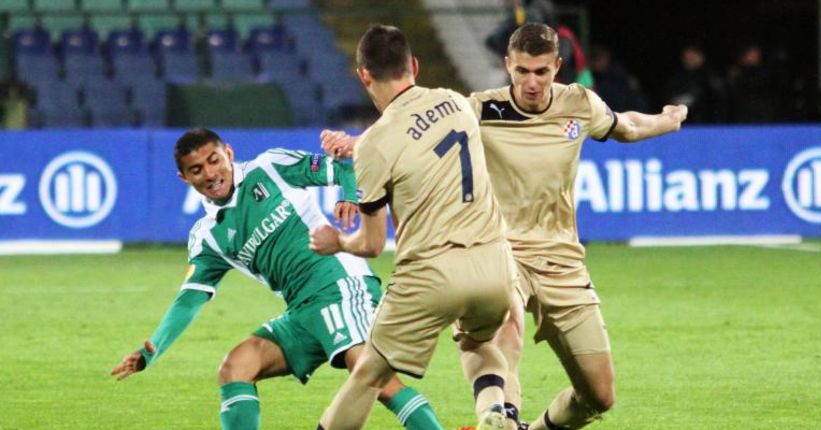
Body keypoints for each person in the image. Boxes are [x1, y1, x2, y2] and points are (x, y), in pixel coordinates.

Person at [321, 22, 687, 430]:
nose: (532, 82)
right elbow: (414, 127)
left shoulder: (579, 104)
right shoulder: (479, 108)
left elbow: (628, 126)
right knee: (504, 336)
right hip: (499, 251)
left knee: (598, 396)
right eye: (523, 71)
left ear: (557, 67)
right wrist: (359, 142)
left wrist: (667, 121)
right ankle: (501, 417)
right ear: (508, 65)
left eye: (542, 72)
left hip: (563, 260)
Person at [110, 128, 444, 430]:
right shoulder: (208, 236)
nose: (210, 174)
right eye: (196, 170)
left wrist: (347, 195)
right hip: (301, 309)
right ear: (184, 178)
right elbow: (189, 300)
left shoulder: (269, 167)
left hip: (340, 283)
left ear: (228, 152)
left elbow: (342, 166)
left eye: (214, 160)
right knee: (236, 366)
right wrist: (151, 350)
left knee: (375, 379)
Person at [309, 24, 517, 430]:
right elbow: (422, 135)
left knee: (369, 373)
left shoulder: (375, 145)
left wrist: (337, 241)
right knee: (480, 343)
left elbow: (370, 244)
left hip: (431, 273)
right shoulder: (455, 103)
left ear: (363, 75)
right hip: (494, 267)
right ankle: (495, 411)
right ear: (415, 66)